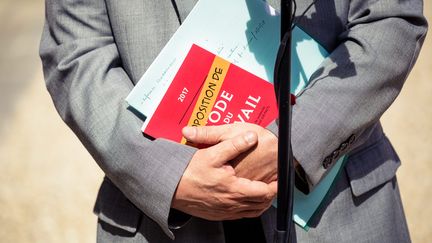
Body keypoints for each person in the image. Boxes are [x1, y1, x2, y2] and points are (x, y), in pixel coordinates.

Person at [39, 0, 428, 242]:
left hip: (335, 208)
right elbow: (74, 53)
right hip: (163, 220)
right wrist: (169, 176)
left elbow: (392, 18)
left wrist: (288, 145)